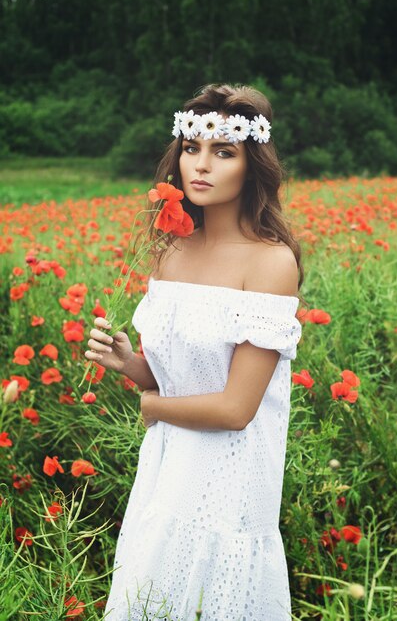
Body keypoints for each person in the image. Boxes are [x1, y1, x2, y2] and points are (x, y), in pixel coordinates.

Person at [86, 83, 305, 621]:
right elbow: (179, 378)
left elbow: (235, 410)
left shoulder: (270, 263)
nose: (201, 165)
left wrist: (152, 407)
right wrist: (130, 365)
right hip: (166, 470)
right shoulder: (171, 254)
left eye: (224, 152)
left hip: (229, 484)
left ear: (252, 165)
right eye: (191, 147)